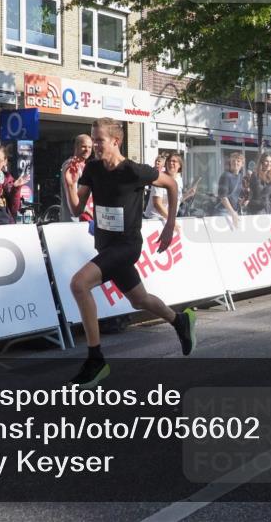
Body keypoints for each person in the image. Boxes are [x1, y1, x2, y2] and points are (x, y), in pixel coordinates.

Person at [66, 118, 194, 388]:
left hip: (126, 247)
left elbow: (170, 184)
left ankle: (96, 359)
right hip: (105, 245)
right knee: (140, 300)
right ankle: (179, 320)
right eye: (92, 140)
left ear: (116, 141)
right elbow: (77, 210)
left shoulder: (134, 171)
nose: (94, 146)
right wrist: (69, 185)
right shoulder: (93, 169)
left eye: (99, 140)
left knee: (79, 284)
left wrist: (169, 225)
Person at [61, 135, 94, 223]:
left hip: (85, 220)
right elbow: (73, 194)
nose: (87, 150)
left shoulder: (85, 166)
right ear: (76, 147)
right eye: (84, 147)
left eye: (90, 147)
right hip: (75, 222)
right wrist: (91, 213)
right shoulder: (72, 165)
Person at [214, 152, 245, 224]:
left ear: (242, 164)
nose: (235, 163)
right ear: (230, 162)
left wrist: (241, 201)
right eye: (233, 161)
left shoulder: (240, 176)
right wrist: (233, 213)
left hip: (234, 210)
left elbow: (235, 194)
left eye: (238, 161)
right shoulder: (226, 175)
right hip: (224, 211)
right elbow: (223, 197)